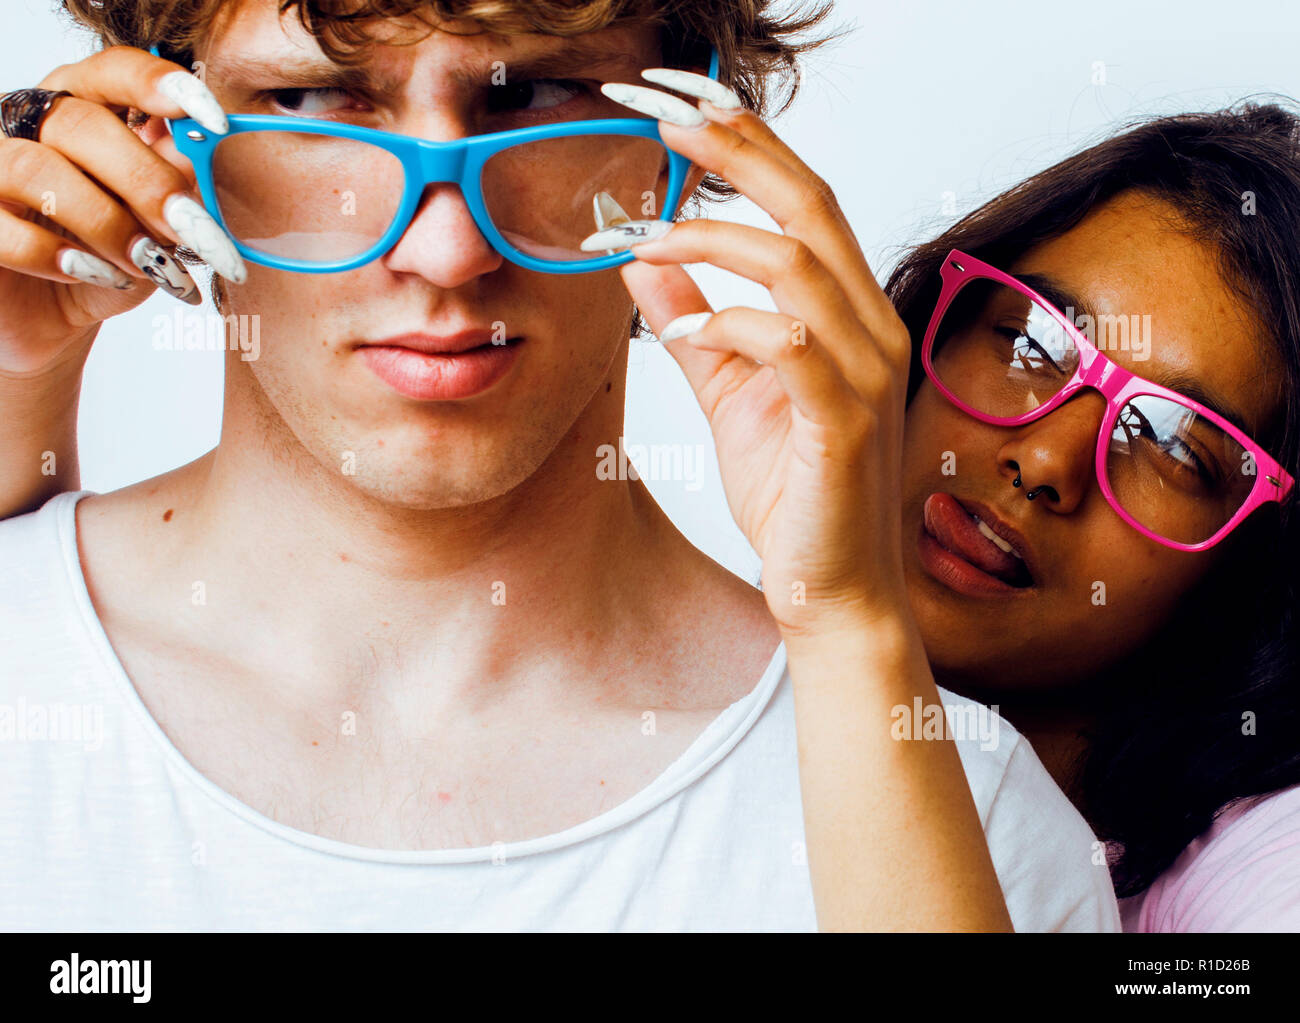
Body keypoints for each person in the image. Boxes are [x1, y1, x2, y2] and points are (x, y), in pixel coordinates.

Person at [0, 0, 1117, 931]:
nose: (444, 251)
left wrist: (845, 617)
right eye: (312, 99)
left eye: (532, 95)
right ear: (142, 121)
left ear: (689, 135)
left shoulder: (965, 835)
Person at [871, 102, 1300, 931]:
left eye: (1175, 444)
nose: (1044, 462)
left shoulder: (1258, 863)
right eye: (1032, 340)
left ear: (1250, 572)